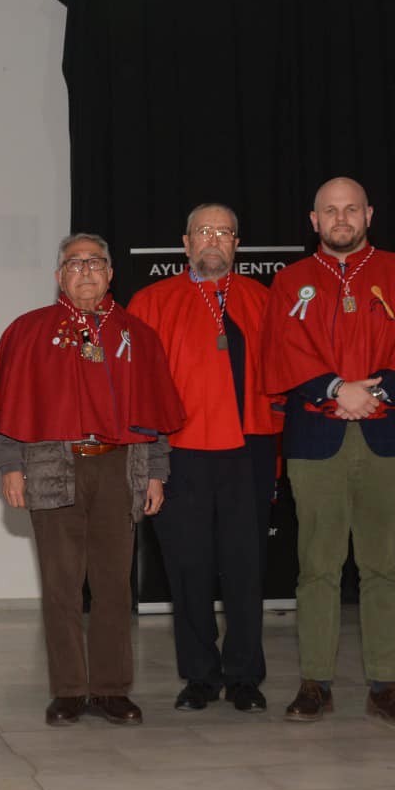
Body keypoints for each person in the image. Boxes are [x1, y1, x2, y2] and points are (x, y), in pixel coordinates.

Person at [261, 177, 395, 726]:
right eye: (330, 210)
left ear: (369, 214)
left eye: (351, 209)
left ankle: (385, 684)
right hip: (316, 436)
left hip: (389, 432)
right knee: (316, 568)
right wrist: (333, 389)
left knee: (384, 569)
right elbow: (284, 348)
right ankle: (314, 682)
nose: (341, 218)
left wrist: (377, 391)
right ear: (314, 220)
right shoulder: (291, 281)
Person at [0, 233, 185, 727]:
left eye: (95, 262)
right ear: (59, 276)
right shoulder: (28, 332)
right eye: (73, 263)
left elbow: (156, 415)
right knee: (60, 585)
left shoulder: (138, 335)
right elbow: (4, 409)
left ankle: (112, 689)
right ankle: (69, 690)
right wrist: (11, 466)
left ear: (111, 273)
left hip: (121, 467)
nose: (85, 271)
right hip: (53, 465)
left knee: (114, 585)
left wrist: (157, 475)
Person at [129, 203, 278, 714]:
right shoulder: (151, 301)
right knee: (187, 568)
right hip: (180, 451)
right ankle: (198, 675)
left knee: (246, 568)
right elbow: (137, 390)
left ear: (237, 244)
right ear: (186, 243)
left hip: (251, 448)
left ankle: (244, 675)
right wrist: (147, 462)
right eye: (203, 232)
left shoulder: (263, 299)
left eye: (224, 232)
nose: (213, 239)